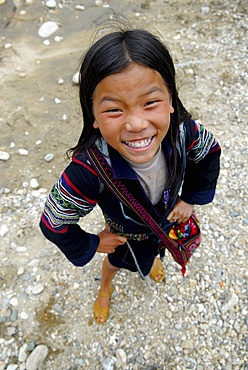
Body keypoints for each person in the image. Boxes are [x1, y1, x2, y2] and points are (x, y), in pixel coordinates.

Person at [40, 28, 221, 324]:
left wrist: (190, 198)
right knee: (115, 262)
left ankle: (149, 263)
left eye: (150, 103)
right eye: (113, 109)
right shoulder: (88, 170)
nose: (136, 124)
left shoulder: (184, 132)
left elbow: (210, 151)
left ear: (171, 98)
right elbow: (53, 222)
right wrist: (92, 243)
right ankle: (105, 287)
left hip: (163, 222)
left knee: (151, 256)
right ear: (93, 116)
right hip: (126, 236)